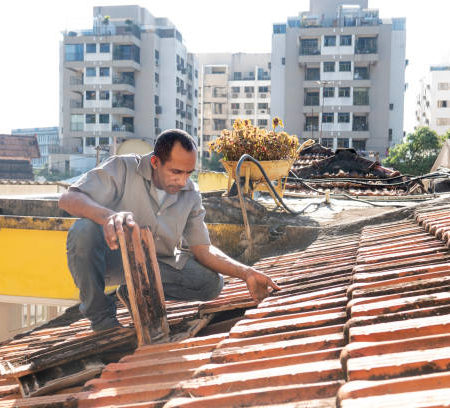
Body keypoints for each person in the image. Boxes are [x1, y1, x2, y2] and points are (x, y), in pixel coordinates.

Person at [59, 129, 280, 332]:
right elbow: (68, 198)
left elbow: (204, 250)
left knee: (211, 283)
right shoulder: (122, 168)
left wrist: (247, 273)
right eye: (176, 171)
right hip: (114, 259)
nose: (182, 180)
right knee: (83, 229)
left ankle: (133, 291)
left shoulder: (190, 194)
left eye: (188, 173)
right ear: (155, 162)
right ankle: (102, 319)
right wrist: (107, 216)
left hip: (159, 265)